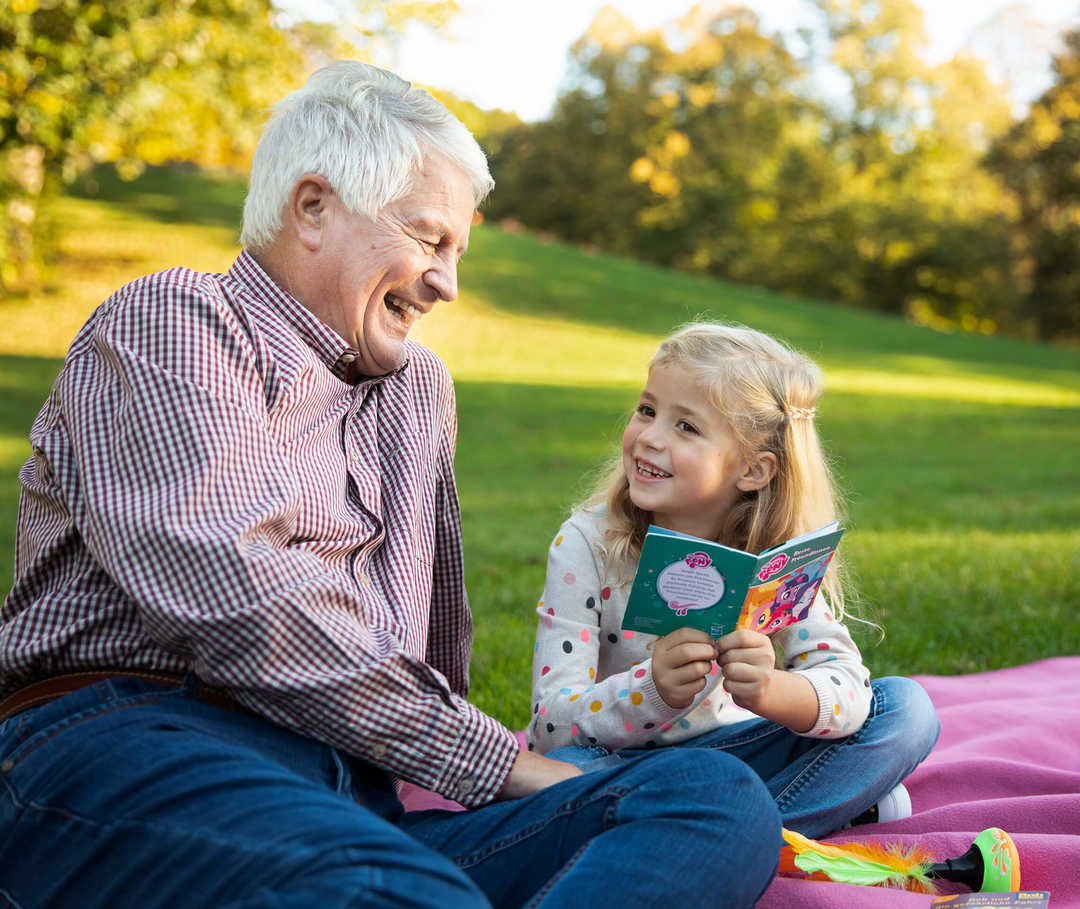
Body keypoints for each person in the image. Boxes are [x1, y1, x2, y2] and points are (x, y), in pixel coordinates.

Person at [0, 63, 782, 908]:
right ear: (313, 207)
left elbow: (431, 642)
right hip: (130, 742)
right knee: (393, 888)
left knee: (710, 796)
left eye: (458, 252)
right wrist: (499, 761)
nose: (448, 282)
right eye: (429, 239)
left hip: (349, 794)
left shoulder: (417, 392)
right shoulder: (180, 322)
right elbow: (230, 590)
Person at [528, 322, 940, 838]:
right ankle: (786, 820)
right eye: (648, 410)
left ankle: (718, 834)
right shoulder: (587, 544)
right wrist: (651, 690)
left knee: (906, 710)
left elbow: (849, 689)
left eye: (687, 427)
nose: (649, 438)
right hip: (623, 769)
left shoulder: (771, 566)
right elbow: (549, 728)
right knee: (564, 773)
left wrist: (773, 690)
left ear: (753, 470)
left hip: (738, 757)